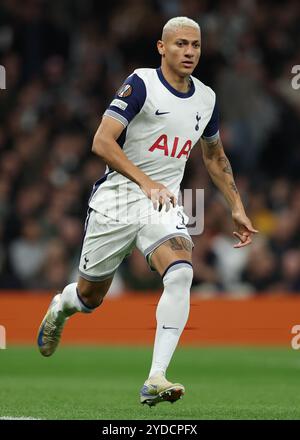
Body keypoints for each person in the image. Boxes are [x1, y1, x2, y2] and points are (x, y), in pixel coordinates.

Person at [37, 16, 258, 407]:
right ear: (162, 47)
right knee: (90, 297)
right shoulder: (141, 83)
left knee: (181, 270)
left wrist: (237, 206)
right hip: (118, 198)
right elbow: (102, 141)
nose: (189, 52)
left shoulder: (206, 99)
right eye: (180, 45)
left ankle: (155, 376)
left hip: (163, 203)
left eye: (195, 45)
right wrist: (145, 181)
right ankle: (62, 306)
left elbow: (214, 156)